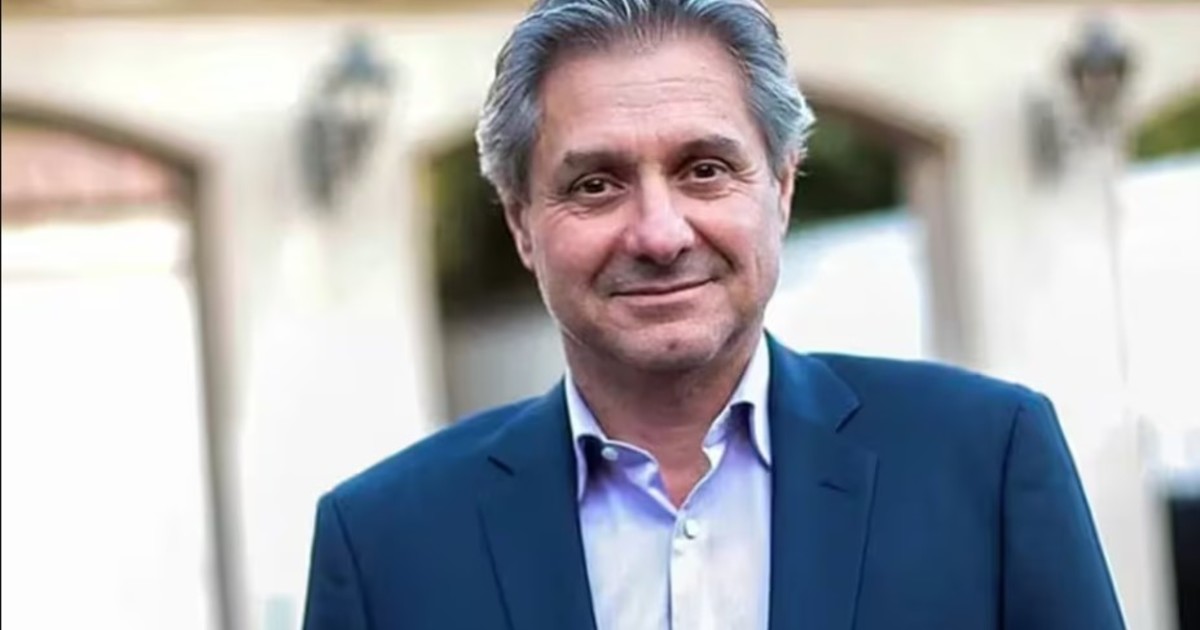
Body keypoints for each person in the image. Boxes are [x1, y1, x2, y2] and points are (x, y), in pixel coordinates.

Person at [302, 0, 1125, 628]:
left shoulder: (985, 462)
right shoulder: (384, 545)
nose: (659, 234)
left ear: (782, 187)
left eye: (704, 169)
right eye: (595, 184)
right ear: (521, 223)